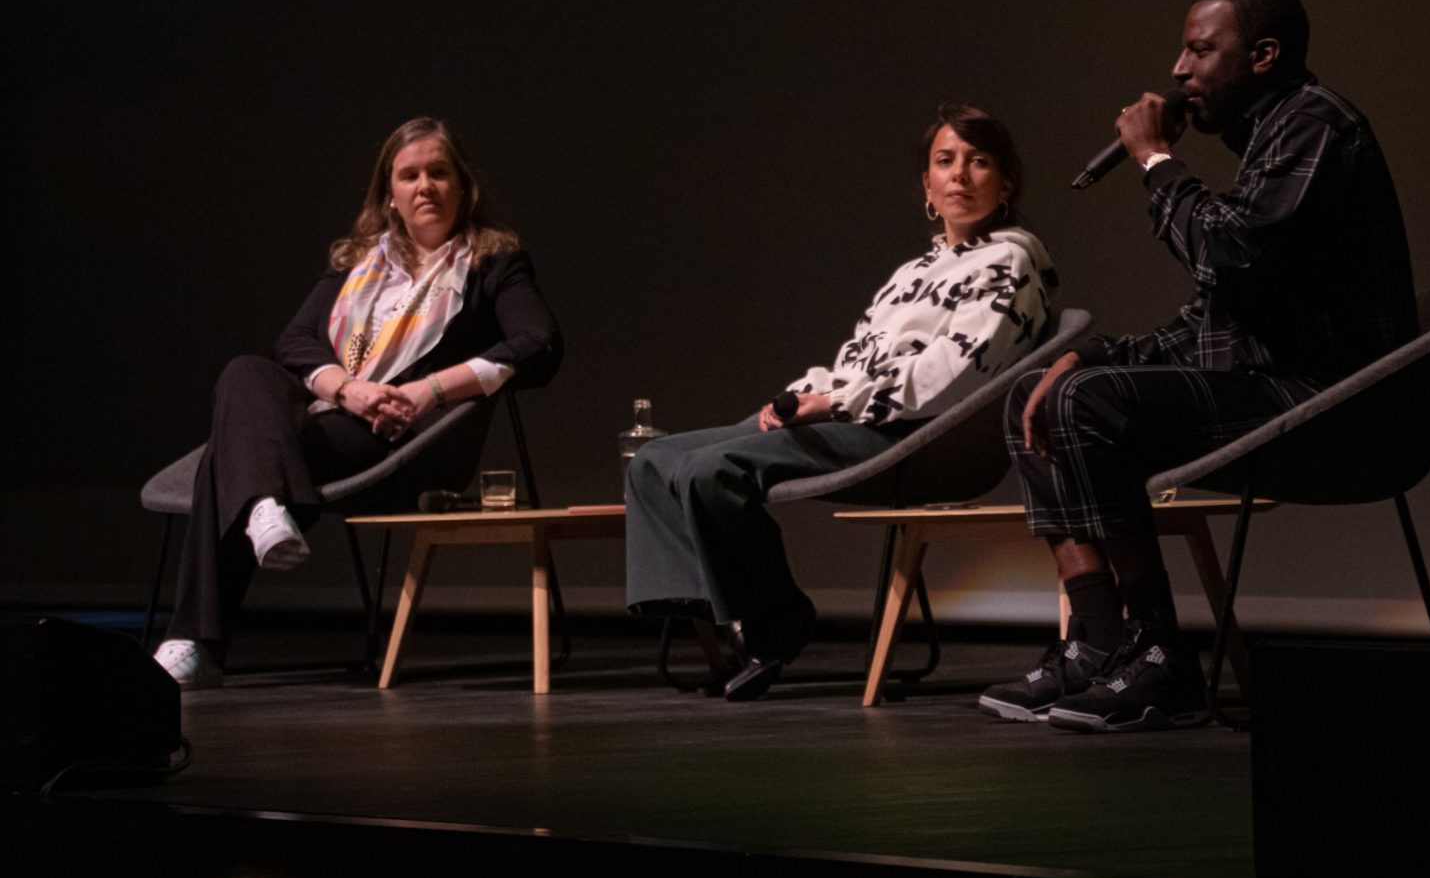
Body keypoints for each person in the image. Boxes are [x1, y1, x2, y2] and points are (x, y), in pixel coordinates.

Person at [979, 0, 1418, 732]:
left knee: (1088, 404)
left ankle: (1161, 656)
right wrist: (1098, 354)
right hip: (1272, 378)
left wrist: (1156, 162)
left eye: (1200, 50)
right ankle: (1096, 643)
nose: (1178, 69)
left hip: (1331, 397)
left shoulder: (1316, 124)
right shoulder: (1270, 139)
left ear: (1263, 56)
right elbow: (1222, 316)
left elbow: (1227, 254)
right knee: (1038, 392)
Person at [627, 104, 1058, 701]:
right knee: (655, 461)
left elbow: (951, 375)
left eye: (979, 161)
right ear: (927, 184)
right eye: (945, 161)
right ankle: (728, 627)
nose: (960, 174)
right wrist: (804, 395)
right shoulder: (914, 270)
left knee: (709, 471)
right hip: (855, 414)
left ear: (1005, 184)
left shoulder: (1011, 259)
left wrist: (834, 404)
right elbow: (858, 358)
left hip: (915, 435)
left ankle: (775, 624)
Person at [153, 117, 563, 690]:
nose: (425, 186)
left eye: (439, 173)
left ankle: (198, 635)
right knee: (245, 371)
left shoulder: (492, 262)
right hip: (337, 419)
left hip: (405, 439)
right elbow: (294, 342)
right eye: (409, 175)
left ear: (464, 186)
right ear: (389, 195)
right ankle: (264, 507)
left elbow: (539, 344)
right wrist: (348, 389)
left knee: (232, 450)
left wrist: (429, 389)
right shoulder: (358, 264)